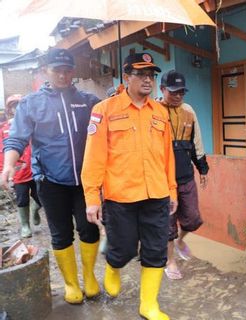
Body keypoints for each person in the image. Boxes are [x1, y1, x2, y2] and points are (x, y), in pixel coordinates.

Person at [81, 52, 177, 320]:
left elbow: (167, 155)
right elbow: (94, 157)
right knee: (122, 249)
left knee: (156, 250)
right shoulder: (104, 110)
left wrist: (172, 190)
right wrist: (92, 197)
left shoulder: (160, 112)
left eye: (152, 75)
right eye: (141, 74)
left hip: (156, 193)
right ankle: (114, 266)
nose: (148, 80)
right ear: (127, 77)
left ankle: (148, 305)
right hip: (120, 196)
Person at [1, 48, 101, 304]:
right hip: (50, 181)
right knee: (61, 234)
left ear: (73, 72)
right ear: (46, 70)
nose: (63, 75)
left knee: (89, 230)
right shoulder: (31, 103)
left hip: (85, 182)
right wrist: (9, 165)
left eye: (67, 70)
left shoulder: (88, 101)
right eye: (57, 70)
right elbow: (17, 138)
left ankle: (89, 277)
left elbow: (106, 129)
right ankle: (71, 284)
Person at [158, 70, 209, 280]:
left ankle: (180, 241)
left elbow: (196, 141)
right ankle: (170, 261)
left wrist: (202, 168)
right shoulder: (153, 110)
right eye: (173, 92)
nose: (178, 96)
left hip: (185, 176)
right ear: (162, 90)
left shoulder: (189, 111)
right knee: (168, 225)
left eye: (181, 92)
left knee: (193, 219)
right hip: (162, 180)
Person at [0, 94, 42, 238]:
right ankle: (25, 226)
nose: (16, 108)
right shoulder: (4, 129)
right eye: (13, 105)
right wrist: (3, 170)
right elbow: (2, 152)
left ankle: (36, 209)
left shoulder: (34, 124)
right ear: (9, 109)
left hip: (35, 169)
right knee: (22, 199)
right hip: (18, 173)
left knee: (42, 197)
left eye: (19, 104)